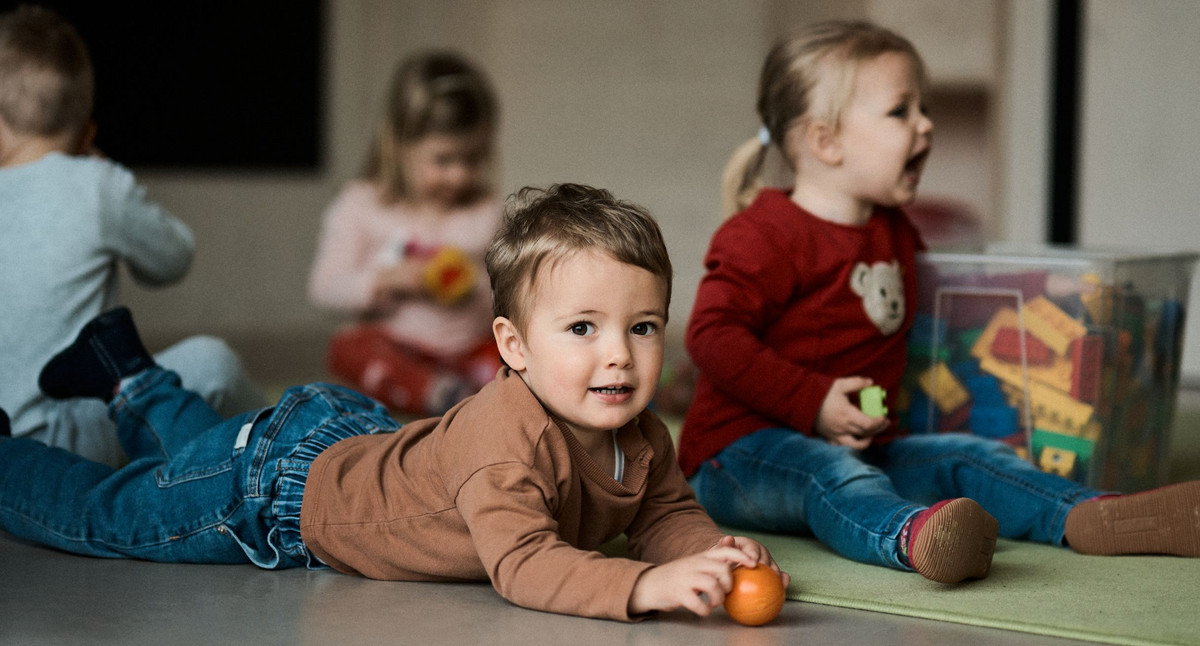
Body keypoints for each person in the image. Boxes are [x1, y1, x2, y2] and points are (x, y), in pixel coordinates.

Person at [0, 183, 790, 622]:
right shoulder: (507, 439)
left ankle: (129, 376)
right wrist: (640, 587)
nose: (618, 353)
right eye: (583, 328)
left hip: (351, 438)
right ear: (513, 347)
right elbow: (522, 562)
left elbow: (661, 512)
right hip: (279, 495)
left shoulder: (640, 433)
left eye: (643, 327)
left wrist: (706, 553)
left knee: (202, 451)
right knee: (111, 514)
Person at [676, 20, 1200, 585]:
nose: (926, 124)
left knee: (969, 457)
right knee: (830, 474)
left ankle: (1092, 515)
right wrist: (815, 400)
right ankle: (914, 537)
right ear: (826, 141)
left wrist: (1046, 286)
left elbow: (959, 300)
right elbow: (711, 337)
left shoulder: (894, 230)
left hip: (869, 442)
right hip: (738, 455)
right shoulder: (761, 234)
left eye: (922, 108)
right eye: (900, 111)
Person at [0, 5, 264, 467]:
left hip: (5, 444)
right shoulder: (95, 185)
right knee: (212, 361)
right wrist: (99, 168)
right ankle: (288, 452)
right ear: (87, 134)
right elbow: (173, 258)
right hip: (67, 440)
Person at [308, 50, 503, 417]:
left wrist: (472, 284)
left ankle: (476, 395)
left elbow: (507, 294)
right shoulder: (362, 205)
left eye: (473, 159)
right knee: (348, 348)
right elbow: (324, 288)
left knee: (519, 357)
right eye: (444, 160)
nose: (460, 175)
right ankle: (436, 393)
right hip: (397, 348)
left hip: (469, 350)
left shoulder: (483, 213)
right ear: (399, 146)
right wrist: (386, 280)